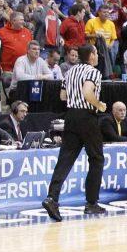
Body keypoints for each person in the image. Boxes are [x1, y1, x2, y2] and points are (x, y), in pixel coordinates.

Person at [40, 45, 106, 221]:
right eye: (96, 53)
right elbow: (87, 92)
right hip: (87, 117)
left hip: (71, 116)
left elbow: (63, 96)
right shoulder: (93, 72)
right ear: (91, 56)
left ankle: (52, 198)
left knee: (65, 159)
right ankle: (91, 203)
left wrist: (75, 100)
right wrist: (99, 105)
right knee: (97, 159)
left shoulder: (70, 72)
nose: (98, 56)